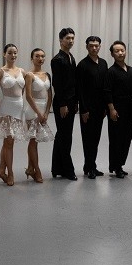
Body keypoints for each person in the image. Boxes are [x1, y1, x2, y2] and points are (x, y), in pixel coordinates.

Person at [0, 43, 28, 186]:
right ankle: (10, 173)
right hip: (6, 108)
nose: (13, 55)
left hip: (18, 108)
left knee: (7, 142)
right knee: (9, 141)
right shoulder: (0, 72)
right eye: (10, 53)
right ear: (4, 54)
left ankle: (1, 170)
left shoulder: (22, 71)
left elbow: (23, 90)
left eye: (15, 53)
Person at [103, 41, 132, 178]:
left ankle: (120, 164)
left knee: (127, 137)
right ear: (112, 54)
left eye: (122, 50)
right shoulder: (111, 71)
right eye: (117, 51)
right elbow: (107, 91)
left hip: (130, 109)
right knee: (116, 138)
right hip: (116, 109)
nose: (120, 53)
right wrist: (111, 109)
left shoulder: (131, 70)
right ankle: (116, 166)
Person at [77, 35, 108, 179]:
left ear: (100, 47)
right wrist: (83, 110)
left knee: (96, 138)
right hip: (87, 109)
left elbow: (105, 87)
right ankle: (89, 167)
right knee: (88, 139)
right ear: (87, 47)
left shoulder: (103, 63)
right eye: (91, 46)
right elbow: (80, 89)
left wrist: (105, 107)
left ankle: (91, 166)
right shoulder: (82, 65)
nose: (94, 48)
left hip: (100, 109)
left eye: (96, 46)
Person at [50, 28, 78, 181]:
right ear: (61, 40)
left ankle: (56, 168)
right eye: (68, 38)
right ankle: (68, 169)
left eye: (72, 38)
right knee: (65, 136)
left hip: (71, 101)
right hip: (62, 103)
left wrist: (75, 102)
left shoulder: (71, 57)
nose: (71, 40)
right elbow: (57, 84)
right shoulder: (57, 59)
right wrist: (63, 104)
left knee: (62, 135)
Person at [24, 48, 54, 183]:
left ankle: (30, 168)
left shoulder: (47, 74)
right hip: (32, 110)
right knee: (33, 140)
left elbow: (50, 95)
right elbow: (28, 96)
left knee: (35, 141)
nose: (40, 59)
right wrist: (38, 113)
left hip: (43, 109)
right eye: (37, 56)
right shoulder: (29, 75)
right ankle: (37, 169)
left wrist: (46, 112)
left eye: (42, 56)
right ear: (32, 58)